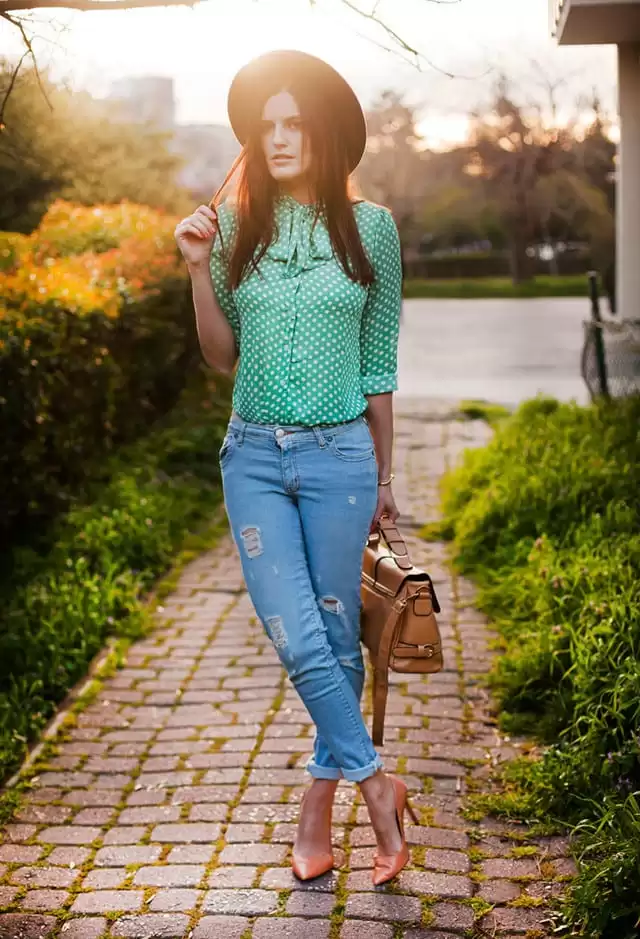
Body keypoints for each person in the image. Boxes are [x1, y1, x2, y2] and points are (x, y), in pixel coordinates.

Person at [174, 49, 415, 886]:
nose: (276, 138)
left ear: (322, 131)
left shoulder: (373, 228)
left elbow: (379, 365)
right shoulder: (238, 223)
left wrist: (386, 480)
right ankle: (377, 786)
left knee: (336, 633)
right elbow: (218, 355)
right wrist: (198, 270)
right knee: (299, 634)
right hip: (253, 457)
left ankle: (317, 808)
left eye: (292, 123)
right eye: (263, 126)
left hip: (342, 456)